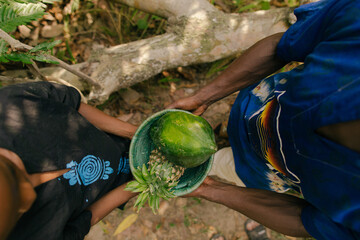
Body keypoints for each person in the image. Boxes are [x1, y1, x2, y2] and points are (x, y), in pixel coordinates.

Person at [167, 0, 360, 239]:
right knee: (231, 127)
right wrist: (204, 97)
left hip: (260, 171)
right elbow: (283, 46)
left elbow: (306, 221)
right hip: (254, 104)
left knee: (219, 163)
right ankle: (226, 131)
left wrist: (209, 188)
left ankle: (217, 157)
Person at [0, 81, 139, 240]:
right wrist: (137, 186)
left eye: (17, 176)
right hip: (110, 187)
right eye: (17, 212)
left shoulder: (10, 107)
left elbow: (72, 102)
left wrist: (133, 133)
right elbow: (87, 218)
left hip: (111, 139)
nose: (30, 195)